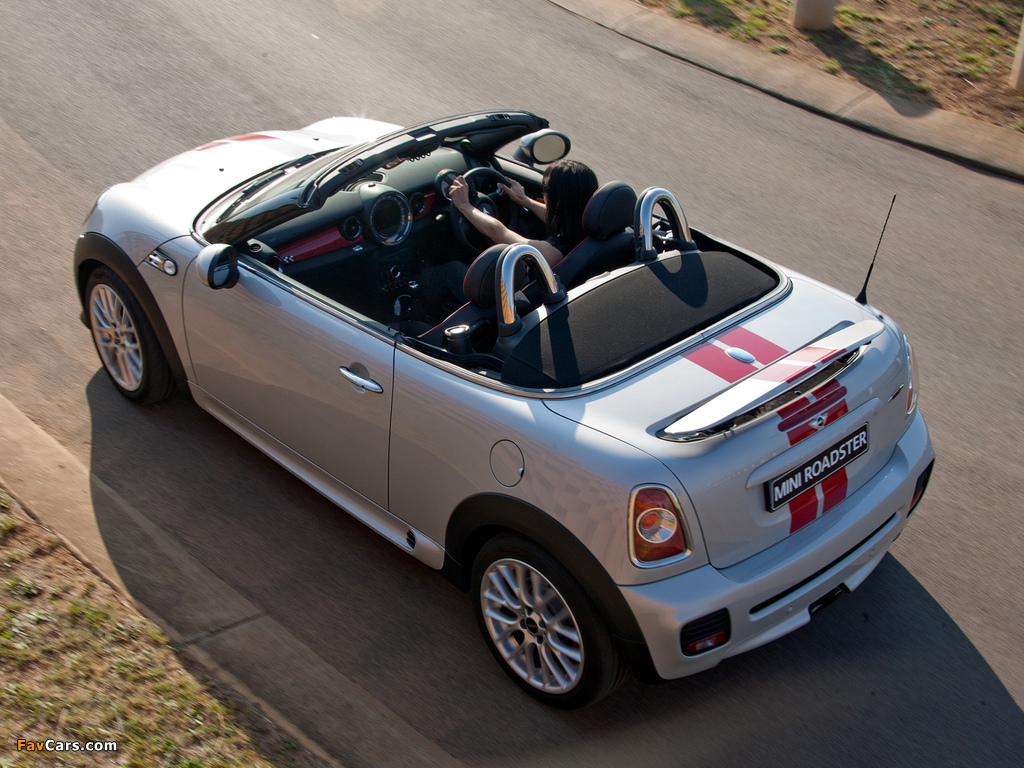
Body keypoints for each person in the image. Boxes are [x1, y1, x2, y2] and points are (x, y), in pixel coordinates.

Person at [450, 159, 599, 269]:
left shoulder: (551, 253)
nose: (542, 192)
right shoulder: (588, 224)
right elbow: (554, 217)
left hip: (522, 295)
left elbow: (497, 232)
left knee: (451, 269)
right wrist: (524, 200)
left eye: (545, 187)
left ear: (559, 200)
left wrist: (464, 205)